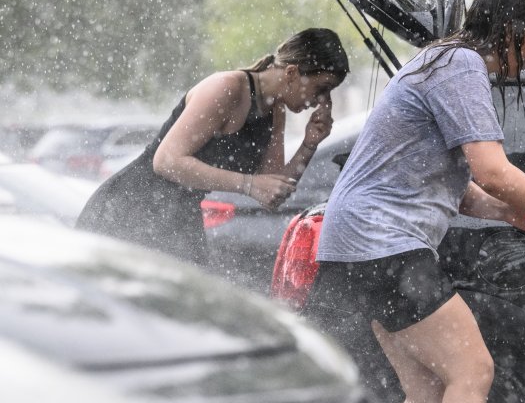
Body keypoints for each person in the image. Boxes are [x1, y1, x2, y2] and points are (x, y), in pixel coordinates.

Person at [307, 0, 525, 403]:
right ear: (507, 29)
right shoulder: (460, 66)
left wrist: (507, 212)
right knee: (472, 371)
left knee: (426, 394)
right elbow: (493, 170)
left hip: (356, 246)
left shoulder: (441, 62)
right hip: (382, 244)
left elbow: (457, 189)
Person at [77, 27, 349, 265]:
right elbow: (166, 161)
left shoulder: (276, 111)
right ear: (292, 73)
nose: (321, 100)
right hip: (133, 207)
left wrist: (309, 145)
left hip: (177, 216)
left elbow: (271, 192)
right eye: (321, 88)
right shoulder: (227, 87)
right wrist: (248, 184)